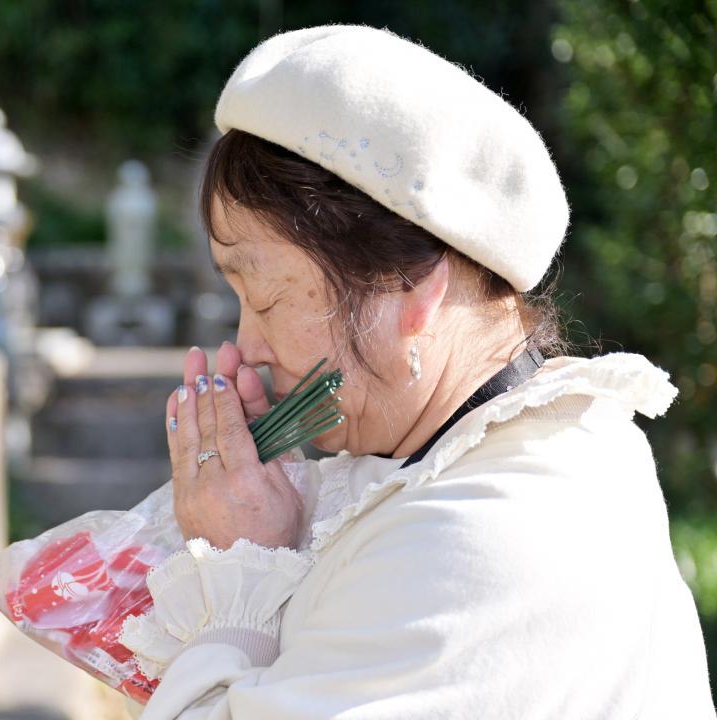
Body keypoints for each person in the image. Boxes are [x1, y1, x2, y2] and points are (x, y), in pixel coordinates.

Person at [115, 24, 715, 719]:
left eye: (269, 297)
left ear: (408, 286)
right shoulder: (559, 446)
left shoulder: (478, 537)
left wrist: (238, 574)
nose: (245, 346)